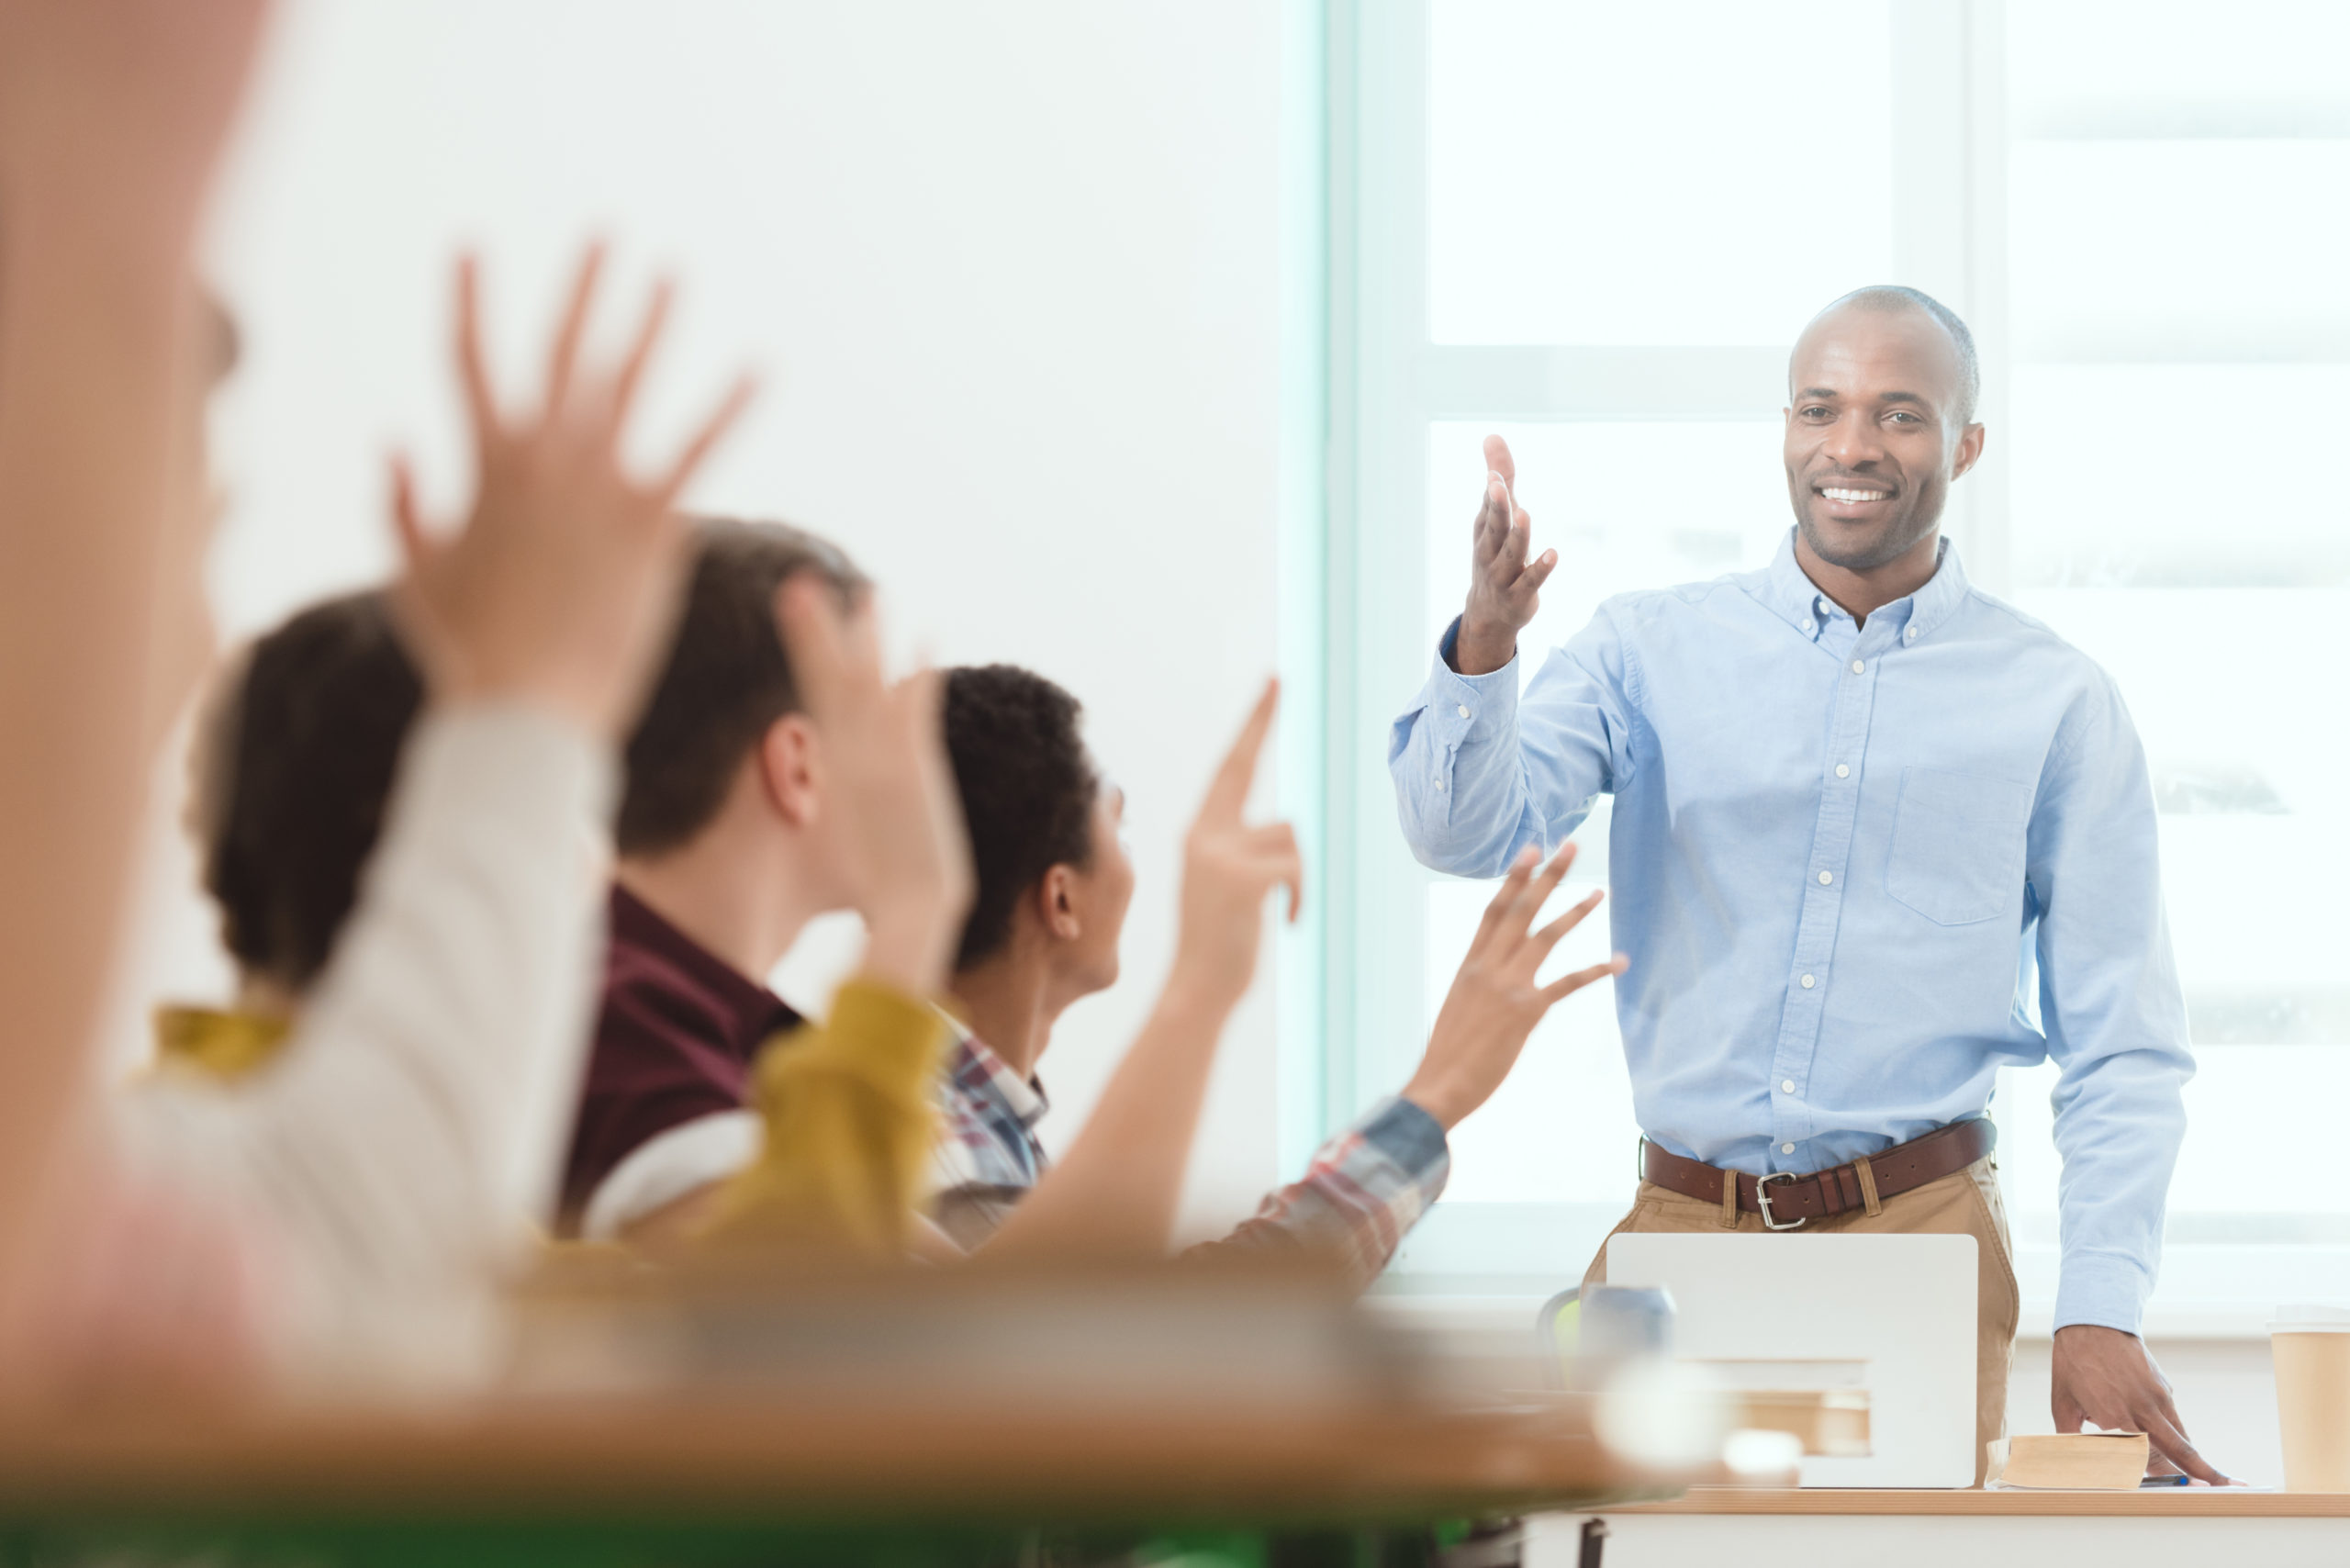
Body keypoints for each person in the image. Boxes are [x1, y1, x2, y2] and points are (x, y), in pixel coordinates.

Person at [1387, 285, 2212, 1484]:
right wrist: (1486, 646)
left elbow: (2123, 1043)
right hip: (1675, 1224)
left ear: (1967, 444)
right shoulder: (1643, 650)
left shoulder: (2057, 701)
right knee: (1613, 1543)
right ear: (1786, 426)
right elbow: (1462, 836)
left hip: (1922, 1229)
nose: (1852, 446)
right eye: (1820, 408)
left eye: (1901, 415)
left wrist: (2101, 1305)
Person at [928, 663, 1623, 1284]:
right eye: (1121, 825)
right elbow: (1139, 1346)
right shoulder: (934, 1143)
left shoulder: (978, 1128)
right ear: (1061, 900)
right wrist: (1434, 1094)